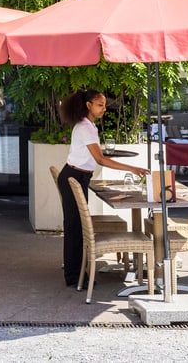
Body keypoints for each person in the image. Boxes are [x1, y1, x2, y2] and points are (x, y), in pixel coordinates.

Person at [56, 88, 149, 287]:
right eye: (100, 105)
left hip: (76, 175)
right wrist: (133, 168)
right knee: (75, 228)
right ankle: (74, 277)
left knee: (76, 227)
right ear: (88, 105)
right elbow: (100, 159)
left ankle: (76, 272)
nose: (104, 109)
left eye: (104, 105)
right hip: (75, 177)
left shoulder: (86, 125)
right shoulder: (85, 127)